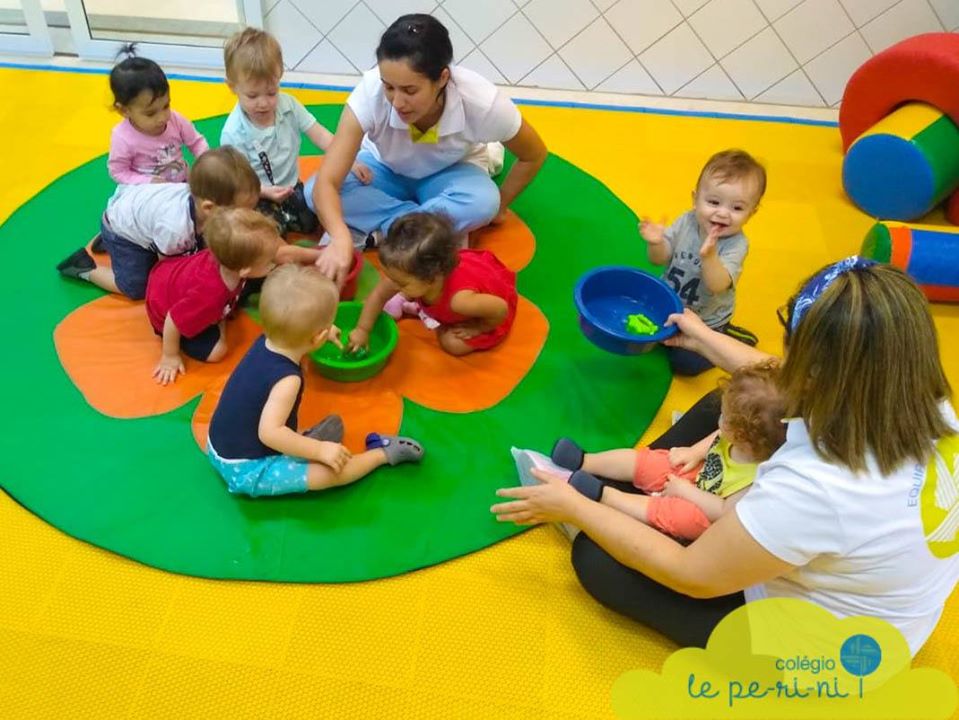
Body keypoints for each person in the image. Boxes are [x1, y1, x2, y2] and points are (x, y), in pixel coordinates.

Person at [492, 258, 959, 656]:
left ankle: (616, 501)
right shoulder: (920, 398)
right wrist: (699, 337)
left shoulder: (819, 488)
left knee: (595, 559)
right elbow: (774, 376)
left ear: (820, 372)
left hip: (825, 649)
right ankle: (641, 493)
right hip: (874, 594)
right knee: (739, 400)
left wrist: (577, 510)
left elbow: (692, 576)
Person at [307, 13, 548, 285]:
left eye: (410, 90)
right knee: (311, 191)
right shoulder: (369, 94)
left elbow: (534, 154)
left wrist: (500, 206)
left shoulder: (481, 102)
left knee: (483, 202)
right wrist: (339, 238)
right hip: (383, 168)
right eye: (389, 87)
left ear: (442, 78)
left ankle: (390, 230)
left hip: (451, 172)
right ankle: (431, 229)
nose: (397, 101)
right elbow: (326, 181)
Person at [207, 263, 424, 498]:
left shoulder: (268, 339)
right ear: (317, 337)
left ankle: (301, 445)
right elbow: (270, 433)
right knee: (330, 474)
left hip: (217, 444)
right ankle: (382, 454)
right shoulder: (288, 380)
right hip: (245, 469)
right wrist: (320, 450)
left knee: (291, 436)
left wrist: (322, 332)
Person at [545, 360, 785, 541]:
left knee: (682, 518)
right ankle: (586, 461)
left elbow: (723, 512)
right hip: (699, 474)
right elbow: (718, 436)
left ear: (743, 437)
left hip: (706, 509)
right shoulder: (739, 436)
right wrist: (693, 452)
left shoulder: (755, 478)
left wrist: (683, 492)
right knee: (654, 462)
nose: (719, 420)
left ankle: (605, 496)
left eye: (725, 417)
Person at [220, 27, 371, 237]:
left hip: (291, 187)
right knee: (266, 234)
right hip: (256, 194)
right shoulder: (233, 133)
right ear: (232, 87)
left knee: (317, 218)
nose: (264, 103)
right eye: (253, 96)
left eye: (272, 92)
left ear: (279, 77)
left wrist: (350, 161)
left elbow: (320, 134)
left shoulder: (288, 106)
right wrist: (264, 192)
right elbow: (236, 180)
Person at [55, 146, 260, 300]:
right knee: (137, 287)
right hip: (120, 228)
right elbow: (167, 273)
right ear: (209, 207)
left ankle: (120, 239)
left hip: (134, 210)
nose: (247, 215)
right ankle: (83, 268)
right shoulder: (175, 229)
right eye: (242, 211)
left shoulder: (203, 205)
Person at [640, 149, 765, 376]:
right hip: (669, 305)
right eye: (714, 202)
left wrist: (709, 257)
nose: (723, 213)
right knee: (642, 336)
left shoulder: (737, 244)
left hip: (706, 321)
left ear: (752, 212)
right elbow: (659, 259)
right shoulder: (687, 221)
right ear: (695, 200)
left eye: (737, 208)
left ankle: (729, 336)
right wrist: (656, 243)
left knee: (685, 365)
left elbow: (717, 284)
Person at [348, 212, 516, 357]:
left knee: (452, 344)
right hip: (443, 280)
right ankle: (412, 298)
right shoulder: (414, 274)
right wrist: (362, 330)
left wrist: (479, 327)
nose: (392, 283)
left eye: (402, 283)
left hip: (488, 306)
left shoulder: (460, 301)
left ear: (433, 278)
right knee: (396, 288)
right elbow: (378, 295)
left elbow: (500, 308)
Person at [145, 207, 279, 385]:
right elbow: (173, 319)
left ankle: (220, 315)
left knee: (269, 279)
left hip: (171, 275)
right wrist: (170, 355)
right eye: (268, 262)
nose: (273, 263)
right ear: (245, 270)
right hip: (163, 310)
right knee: (218, 351)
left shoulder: (226, 257)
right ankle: (218, 319)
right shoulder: (209, 296)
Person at [106, 45, 209, 186]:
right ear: (124, 111)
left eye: (166, 106)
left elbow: (197, 143)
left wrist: (205, 162)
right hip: (147, 193)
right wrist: (147, 181)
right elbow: (118, 172)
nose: (162, 117)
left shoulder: (175, 120)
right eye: (150, 113)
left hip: (181, 183)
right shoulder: (123, 138)